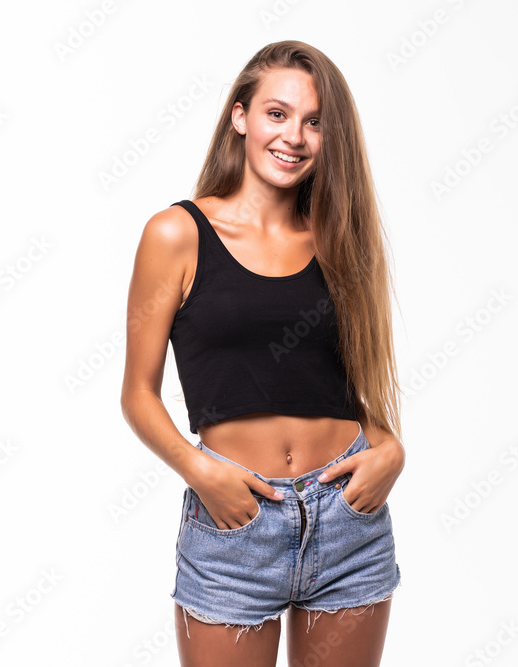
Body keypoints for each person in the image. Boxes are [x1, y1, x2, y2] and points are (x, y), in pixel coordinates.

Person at [121, 40, 404, 666]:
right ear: (240, 117)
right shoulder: (176, 234)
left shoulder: (339, 235)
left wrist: (390, 446)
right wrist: (201, 473)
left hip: (348, 518)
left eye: (314, 122)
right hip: (236, 523)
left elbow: (350, 377)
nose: (294, 136)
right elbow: (137, 394)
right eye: (277, 114)